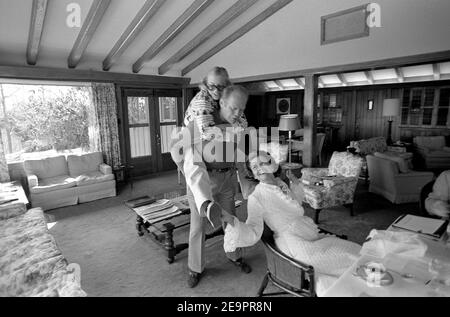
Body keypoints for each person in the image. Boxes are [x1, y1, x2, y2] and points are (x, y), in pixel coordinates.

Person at [221, 152, 361, 296]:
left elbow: (295, 205)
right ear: (253, 175)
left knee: (353, 252)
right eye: (255, 167)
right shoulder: (256, 197)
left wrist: (295, 184)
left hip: (308, 232)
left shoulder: (281, 184)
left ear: (272, 165)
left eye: (263, 163)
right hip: (294, 243)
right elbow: (253, 230)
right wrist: (233, 222)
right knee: (334, 265)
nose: (259, 168)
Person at [171, 79, 253, 288]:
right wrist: (189, 176)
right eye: (234, 108)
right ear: (222, 102)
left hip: (227, 180)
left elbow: (239, 154)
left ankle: (235, 256)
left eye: (242, 109)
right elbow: (178, 152)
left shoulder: (238, 125)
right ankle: (195, 268)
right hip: (203, 182)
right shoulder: (200, 121)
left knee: (231, 220)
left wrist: (245, 179)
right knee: (198, 226)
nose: (238, 113)